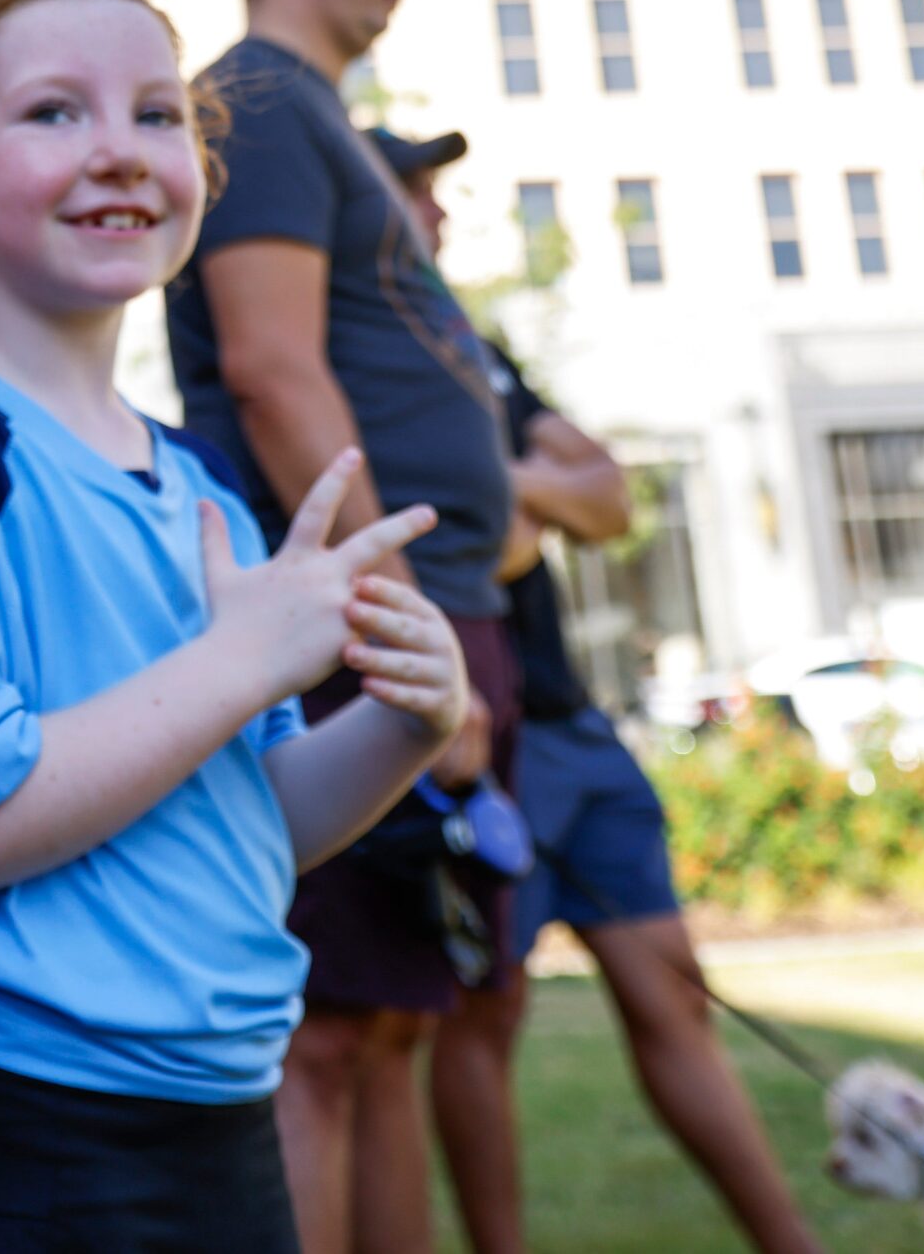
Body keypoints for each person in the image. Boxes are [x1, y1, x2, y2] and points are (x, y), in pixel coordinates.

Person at [0, 0, 471, 1251]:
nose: (118, 148)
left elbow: (251, 819)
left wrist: (408, 722)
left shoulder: (205, 488)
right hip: (17, 1127)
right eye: (54, 109)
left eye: (156, 113)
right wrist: (243, 660)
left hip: (222, 1116)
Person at [373, 131, 828, 1254]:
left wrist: (501, 488)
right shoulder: (364, 358)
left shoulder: (470, 349)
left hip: (573, 728)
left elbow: (605, 498)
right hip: (485, 738)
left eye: (436, 192)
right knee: (485, 1013)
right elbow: (496, 550)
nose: (435, 214)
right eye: (411, 191)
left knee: (672, 992)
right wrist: (521, 501)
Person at [163, 0, 520, 1254]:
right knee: (324, 1040)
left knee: (386, 1033)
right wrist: (400, 627)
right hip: (356, 614)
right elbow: (272, 369)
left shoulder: (318, 115)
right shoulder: (256, 98)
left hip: (411, 607)